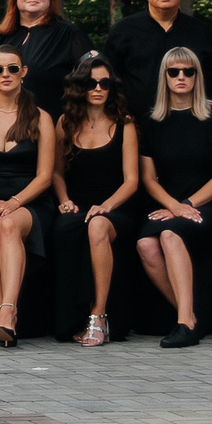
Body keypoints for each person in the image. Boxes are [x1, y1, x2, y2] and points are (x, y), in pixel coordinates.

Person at [134, 46, 212, 348]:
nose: (181, 77)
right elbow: (148, 178)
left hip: (208, 205)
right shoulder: (151, 121)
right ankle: (191, 314)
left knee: (168, 235)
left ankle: (185, 323)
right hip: (170, 204)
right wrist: (175, 206)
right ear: (163, 76)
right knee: (145, 244)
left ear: (196, 76)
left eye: (188, 71)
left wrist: (188, 205)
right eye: (173, 71)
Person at [0, 46, 58, 347]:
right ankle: (4, 310)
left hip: (29, 201)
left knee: (7, 225)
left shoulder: (41, 117)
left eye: (12, 68)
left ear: (23, 72)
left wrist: (14, 202)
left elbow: (45, 175)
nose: (6, 74)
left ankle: (7, 311)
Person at [50, 55, 140, 345]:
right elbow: (56, 172)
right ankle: (71, 319)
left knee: (97, 226)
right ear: (80, 86)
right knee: (66, 228)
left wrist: (107, 206)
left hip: (116, 209)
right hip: (78, 206)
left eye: (105, 83)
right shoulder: (65, 122)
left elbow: (132, 181)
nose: (98, 88)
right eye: (91, 83)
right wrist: (64, 199)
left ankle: (99, 317)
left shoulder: (124, 124)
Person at [104, 0, 212, 120]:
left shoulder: (199, 31)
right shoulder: (123, 31)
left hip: (190, 125)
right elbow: (108, 81)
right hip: (135, 126)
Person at [0, 0, 84, 113]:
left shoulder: (68, 34)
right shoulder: (4, 35)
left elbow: (91, 80)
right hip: (3, 125)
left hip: (53, 124)